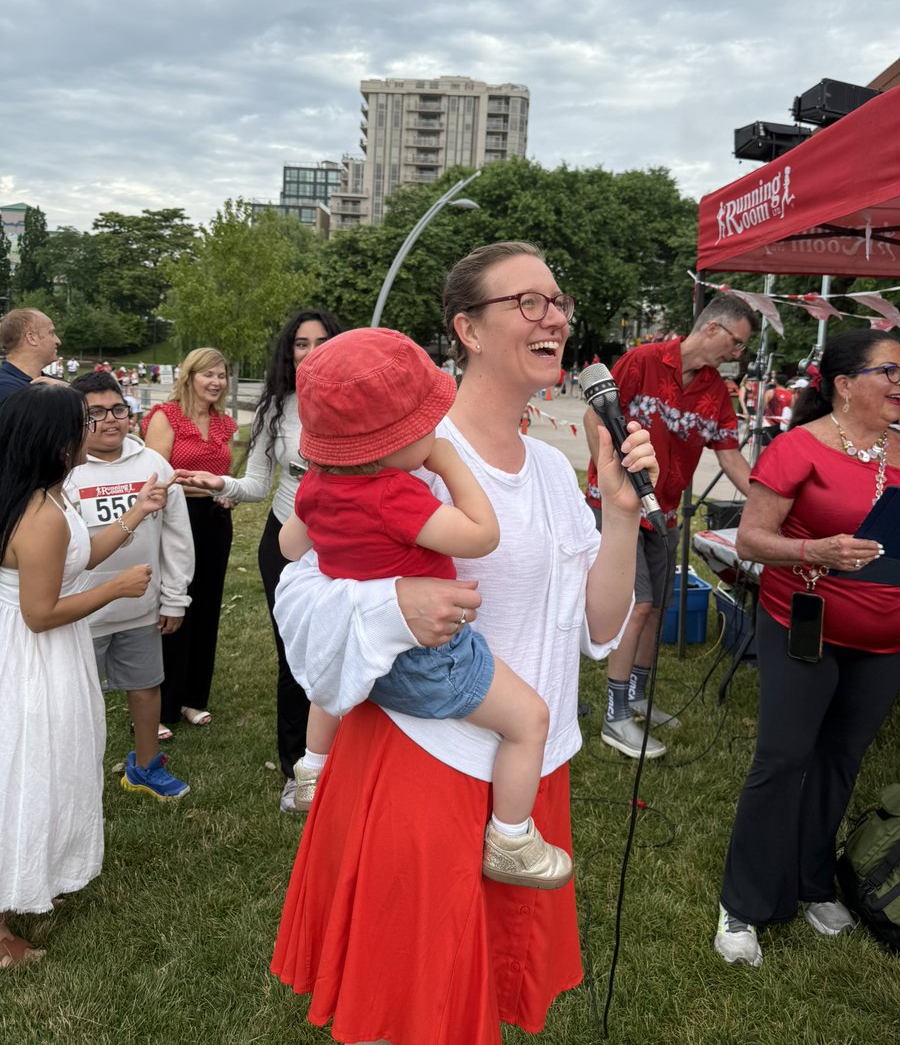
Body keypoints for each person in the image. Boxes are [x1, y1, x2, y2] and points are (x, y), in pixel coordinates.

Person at [270, 241, 657, 1044]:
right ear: (468, 329)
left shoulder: (554, 471)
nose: (554, 316)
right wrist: (392, 603)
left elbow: (597, 627)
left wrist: (620, 512)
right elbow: (298, 588)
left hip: (527, 770)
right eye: (528, 302)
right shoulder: (403, 451)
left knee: (481, 996)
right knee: (416, 1002)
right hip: (426, 760)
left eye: (558, 301)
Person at [281, 327, 572, 888]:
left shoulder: (316, 486)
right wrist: (444, 463)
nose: (435, 431)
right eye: (423, 426)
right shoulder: (397, 493)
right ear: (389, 444)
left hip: (366, 651)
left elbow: (293, 547)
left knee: (330, 679)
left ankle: (312, 770)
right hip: (426, 657)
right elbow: (481, 536)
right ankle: (511, 838)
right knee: (530, 721)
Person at [714, 329, 900, 967]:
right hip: (805, 623)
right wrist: (813, 551)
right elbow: (749, 540)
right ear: (846, 385)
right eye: (890, 371)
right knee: (784, 759)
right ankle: (744, 902)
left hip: (886, 640)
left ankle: (813, 879)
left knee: (840, 760)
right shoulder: (800, 448)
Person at [0, 383, 166, 968]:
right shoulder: (39, 514)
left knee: (44, 762)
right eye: (82, 422)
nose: (91, 429)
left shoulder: (42, 495)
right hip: (32, 657)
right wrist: (115, 590)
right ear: (54, 438)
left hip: (39, 651)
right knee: (24, 770)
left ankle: (29, 873)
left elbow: (72, 556)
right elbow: (40, 613)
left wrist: (134, 516)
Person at [172, 309, 342, 809]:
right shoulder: (276, 408)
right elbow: (258, 485)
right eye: (301, 343)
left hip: (345, 543)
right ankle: (299, 770)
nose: (311, 352)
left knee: (346, 652)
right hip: (284, 543)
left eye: (322, 341)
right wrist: (218, 483)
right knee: (295, 658)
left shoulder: (360, 400)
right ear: (289, 352)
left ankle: (350, 760)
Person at [584, 292, 757, 759]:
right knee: (636, 605)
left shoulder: (716, 390)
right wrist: (607, 474)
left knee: (658, 607)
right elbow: (592, 413)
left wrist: (767, 494)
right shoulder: (642, 360)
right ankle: (615, 717)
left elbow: (730, 456)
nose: (737, 354)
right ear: (714, 329)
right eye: (737, 343)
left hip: (666, 511)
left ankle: (637, 695)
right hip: (617, 506)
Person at [67, 372, 194, 800]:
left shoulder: (154, 466)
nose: (110, 420)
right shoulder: (65, 471)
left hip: (140, 608)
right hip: (80, 612)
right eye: (96, 413)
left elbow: (177, 538)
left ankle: (144, 767)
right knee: (78, 701)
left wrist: (175, 597)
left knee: (145, 687)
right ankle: (74, 776)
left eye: (117, 409)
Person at [142, 348, 237, 731]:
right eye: (207, 375)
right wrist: (203, 488)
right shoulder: (166, 418)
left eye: (221, 375)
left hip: (215, 522)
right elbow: (154, 478)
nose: (216, 382)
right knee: (172, 607)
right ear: (189, 376)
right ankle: (161, 705)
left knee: (207, 605)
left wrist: (228, 491)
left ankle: (194, 698)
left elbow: (224, 474)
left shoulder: (224, 423)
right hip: (175, 522)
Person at [0, 308, 62, 404]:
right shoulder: (6, 388)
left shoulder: (54, 383)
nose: (58, 341)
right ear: (32, 338)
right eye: (51, 333)